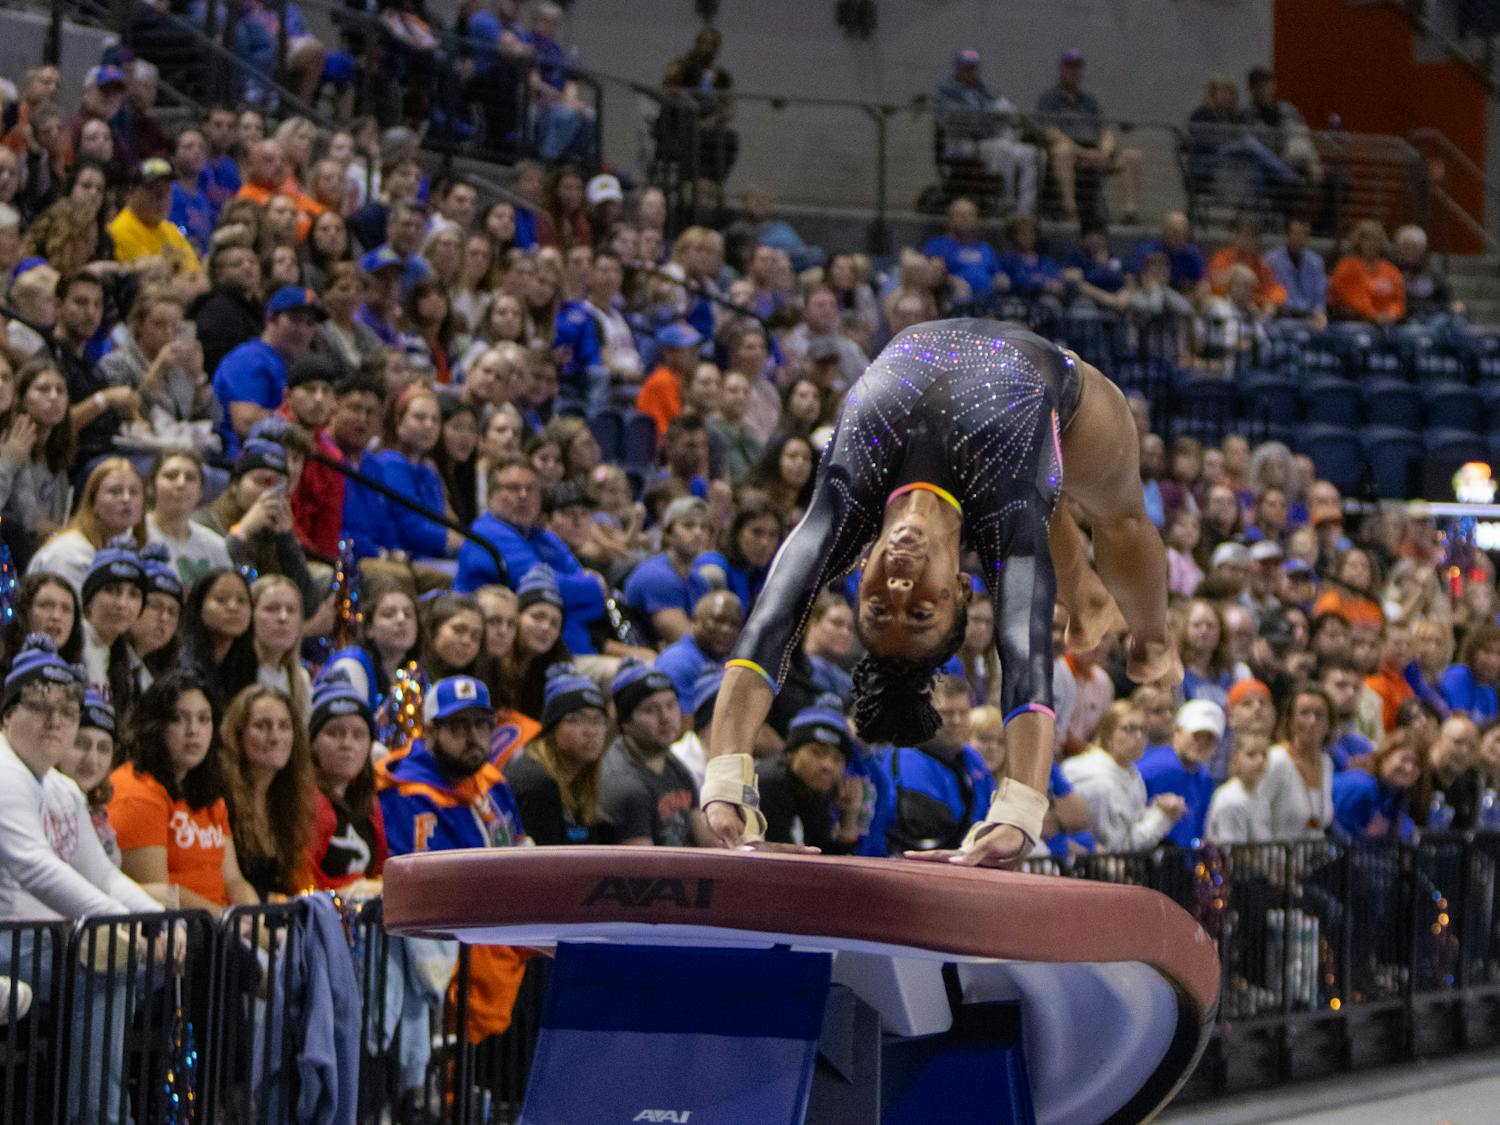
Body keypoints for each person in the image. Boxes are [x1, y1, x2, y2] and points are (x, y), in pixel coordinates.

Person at [700, 319, 1175, 868]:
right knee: (1119, 520)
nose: (899, 587)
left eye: (880, 607)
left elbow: (767, 630)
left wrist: (724, 776)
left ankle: (1092, 604)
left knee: (1050, 508)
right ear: (961, 589)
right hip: (1057, 393)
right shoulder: (1004, 516)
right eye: (920, 610)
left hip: (1005, 444)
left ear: (857, 571)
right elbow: (1025, 655)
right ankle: (1153, 640)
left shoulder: (845, 505)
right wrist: (1020, 811)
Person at [0, 636, 163, 1125]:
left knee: (139, 961)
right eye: (39, 706)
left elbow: (104, 876)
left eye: (68, 710)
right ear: (7, 714)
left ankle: (101, 1108)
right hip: (11, 937)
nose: (56, 721)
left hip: (38, 938)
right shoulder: (4, 772)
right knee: (107, 957)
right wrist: (121, 925)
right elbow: (33, 864)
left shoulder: (62, 788)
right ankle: (98, 1116)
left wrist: (160, 921)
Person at [110, 670, 259, 916]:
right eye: (179, 718)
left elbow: (234, 881)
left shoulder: (209, 789)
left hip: (223, 927)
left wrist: (258, 926)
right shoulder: (135, 792)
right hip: (177, 931)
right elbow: (161, 893)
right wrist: (231, 925)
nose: (194, 731)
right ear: (155, 726)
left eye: (204, 719)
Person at [874, 675, 997, 854]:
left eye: (963, 713)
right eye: (946, 713)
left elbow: (992, 818)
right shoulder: (906, 758)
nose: (956, 721)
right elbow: (928, 830)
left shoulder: (972, 758)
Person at [212, 285, 325, 458]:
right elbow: (246, 422)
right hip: (243, 459)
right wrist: (300, 425)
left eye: (310, 323)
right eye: (295, 319)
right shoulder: (249, 358)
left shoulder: (294, 366)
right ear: (270, 318)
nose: (303, 330)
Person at [599, 659, 704, 846]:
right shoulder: (625, 784)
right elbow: (643, 870)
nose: (665, 717)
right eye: (651, 710)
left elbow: (708, 842)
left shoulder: (673, 764)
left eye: (671, 705)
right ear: (625, 723)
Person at [504, 664, 612, 845]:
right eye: (575, 720)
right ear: (551, 729)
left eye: (597, 720)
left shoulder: (579, 784)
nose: (590, 731)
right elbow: (542, 867)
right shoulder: (535, 784)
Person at [1061, 700, 1185, 852]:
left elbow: (1131, 824)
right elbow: (1120, 849)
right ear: (1107, 735)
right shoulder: (1099, 782)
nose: (1139, 736)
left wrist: (1156, 810)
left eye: (1144, 729)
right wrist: (1162, 817)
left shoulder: (1130, 771)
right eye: (1129, 729)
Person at [1036, 49, 1142, 223]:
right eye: (1069, 68)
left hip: (1096, 154)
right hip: (1072, 153)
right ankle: (1071, 211)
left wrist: (1105, 152)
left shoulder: (1089, 101)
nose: (1074, 72)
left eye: (1077, 68)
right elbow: (1051, 133)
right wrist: (1083, 153)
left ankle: (1130, 212)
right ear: (1061, 70)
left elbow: (1104, 131)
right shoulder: (1049, 99)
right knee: (1062, 152)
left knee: (1132, 156)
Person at [305, 673, 386, 893]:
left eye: (358, 735)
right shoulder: (306, 803)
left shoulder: (369, 803)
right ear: (312, 743)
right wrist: (353, 891)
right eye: (335, 733)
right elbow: (299, 885)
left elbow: (380, 870)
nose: (347, 744)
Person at [934, 50, 1038, 215]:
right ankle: (1007, 203)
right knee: (1001, 149)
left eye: (973, 68)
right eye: (965, 68)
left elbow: (1008, 116)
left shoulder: (985, 91)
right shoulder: (947, 93)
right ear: (958, 69)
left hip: (990, 142)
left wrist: (1004, 113)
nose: (970, 72)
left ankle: (1025, 210)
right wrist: (989, 115)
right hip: (961, 145)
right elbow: (955, 120)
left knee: (1029, 153)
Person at [756, 702, 864, 853]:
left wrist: (849, 817)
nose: (828, 766)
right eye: (817, 752)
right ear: (791, 752)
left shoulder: (813, 789)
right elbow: (786, 866)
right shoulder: (770, 783)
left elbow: (823, 855)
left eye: (837, 759)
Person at [28, 457, 146, 594]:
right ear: (93, 502)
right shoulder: (69, 553)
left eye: (134, 492)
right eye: (115, 491)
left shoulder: (134, 551)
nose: (126, 499)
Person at [622, 495, 710, 645]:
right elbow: (686, 641)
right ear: (668, 534)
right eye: (688, 525)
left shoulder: (700, 581)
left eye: (704, 527)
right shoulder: (657, 576)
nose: (698, 533)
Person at [1137, 699, 1223, 847]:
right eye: (1196, 735)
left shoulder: (1204, 778)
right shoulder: (1155, 769)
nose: (1201, 744)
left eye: (1209, 738)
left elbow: (1198, 832)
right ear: (1177, 732)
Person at [1260, 686, 1336, 839]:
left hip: (1316, 859)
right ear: (1290, 721)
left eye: (1319, 715)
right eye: (1304, 713)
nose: (1312, 721)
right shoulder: (1276, 760)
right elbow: (1257, 816)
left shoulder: (1326, 763)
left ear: (1329, 724)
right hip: (1273, 859)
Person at [654, 590, 743, 716]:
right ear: (695, 620)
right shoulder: (678, 660)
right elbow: (682, 730)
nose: (726, 630)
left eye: (734, 624)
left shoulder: (726, 661)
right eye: (718, 620)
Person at [1332, 731, 1421, 840]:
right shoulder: (1359, 786)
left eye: (1416, 763)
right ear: (1385, 756)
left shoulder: (1396, 794)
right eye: (1404, 759)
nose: (1409, 768)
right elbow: (1338, 836)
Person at [921, 197, 1005, 301]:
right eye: (960, 215)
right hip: (952, 303)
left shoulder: (986, 248)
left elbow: (998, 273)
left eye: (970, 215)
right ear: (950, 219)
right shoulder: (938, 245)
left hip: (988, 304)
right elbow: (924, 274)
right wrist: (950, 281)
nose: (966, 219)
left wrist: (1001, 279)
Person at [1329, 220, 1404, 325]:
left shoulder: (1391, 270)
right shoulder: (1347, 266)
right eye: (1366, 239)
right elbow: (1355, 299)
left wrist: (1392, 314)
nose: (1371, 244)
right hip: (1353, 320)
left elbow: (1398, 301)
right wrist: (1374, 315)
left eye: (1376, 239)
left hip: (1387, 322)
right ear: (1358, 241)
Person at [1265, 217, 1327, 326]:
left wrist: (1319, 312)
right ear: (1287, 235)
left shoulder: (1316, 262)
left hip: (1311, 318)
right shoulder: (1271, 260)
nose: (1301, 238)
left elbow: (1320, 296)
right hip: (1283, 316)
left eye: (1305, 235)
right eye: (1297, 234)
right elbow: (1272, 293)